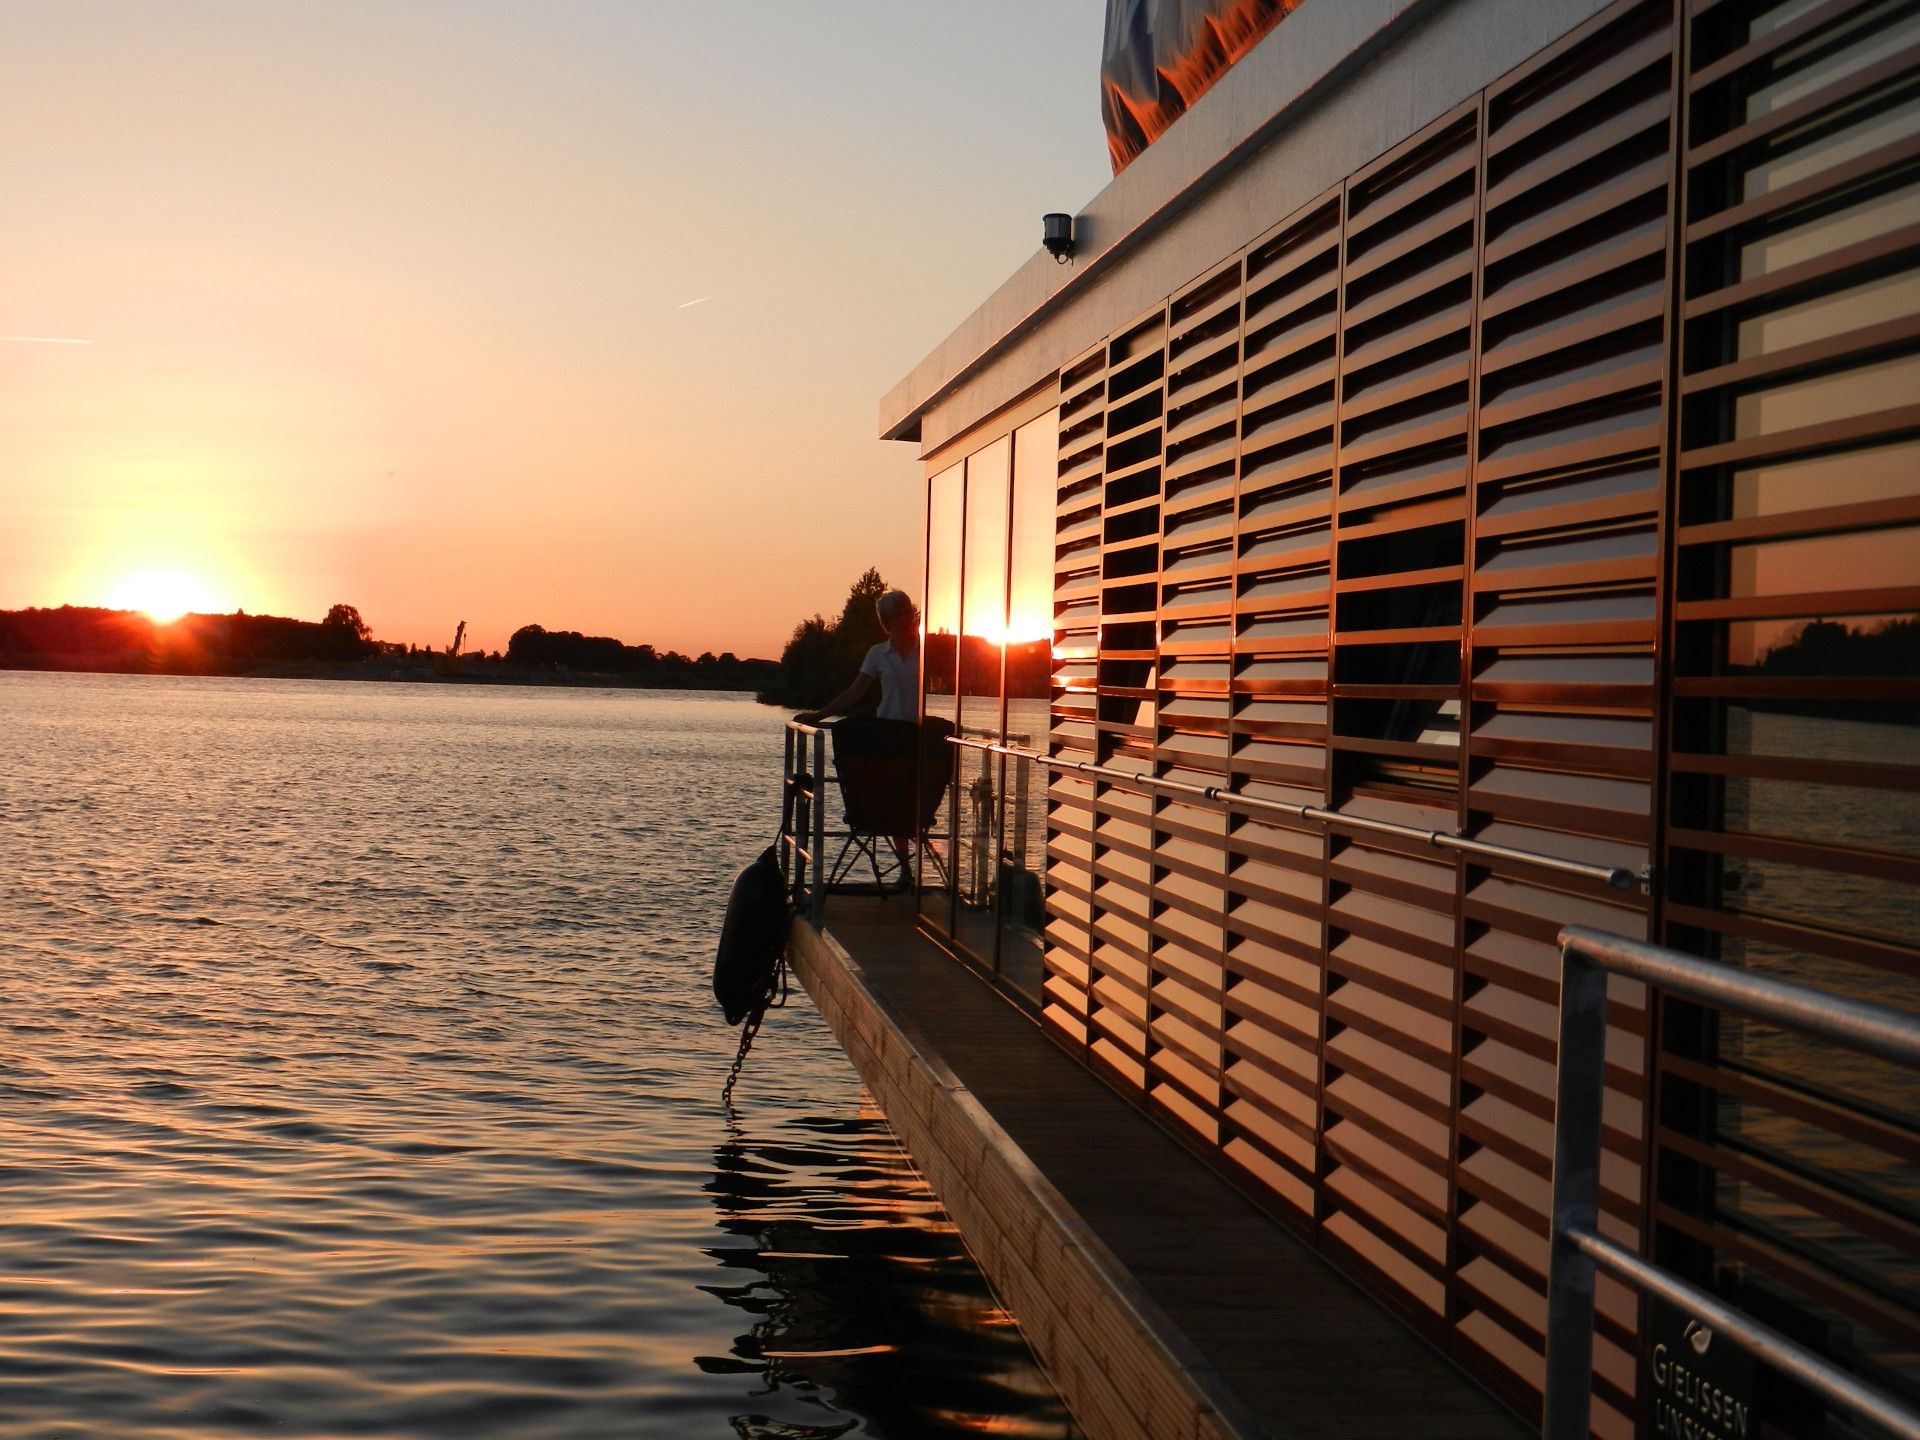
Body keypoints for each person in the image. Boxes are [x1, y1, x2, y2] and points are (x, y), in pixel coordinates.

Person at [796, 589, 920, 726]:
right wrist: (817, 716)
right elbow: (853, 694)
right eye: (898, 614)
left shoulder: (925, 651)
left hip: (919, 732)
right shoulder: (878, 653)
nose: (905, 619)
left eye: (908, 612)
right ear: (887, 621)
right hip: (887, 730)